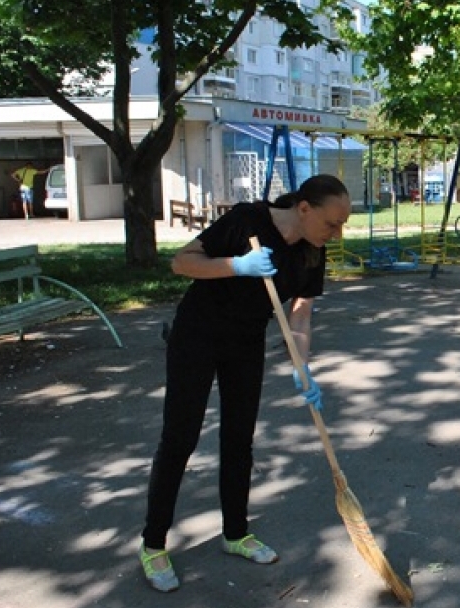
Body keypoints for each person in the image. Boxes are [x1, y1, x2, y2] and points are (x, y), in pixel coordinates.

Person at [139, 175, 351, 593]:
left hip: (246, 341)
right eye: (332, 223)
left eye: (342, 224)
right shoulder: (248, 221)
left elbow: (301, 314)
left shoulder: (312, 251)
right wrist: (236, 266)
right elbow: (182, 262)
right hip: (198, 335)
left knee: (239, 439)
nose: (337, 233)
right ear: (304, 209)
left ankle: (235, 534)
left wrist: (302, 366)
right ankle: (153, 544)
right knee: (180, 437)